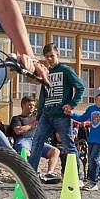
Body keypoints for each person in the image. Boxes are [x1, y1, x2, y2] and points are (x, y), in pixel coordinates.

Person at [28, 43, 85, 182]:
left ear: (57, 54)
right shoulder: (46, 72)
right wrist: (39, 115)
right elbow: (43, 96)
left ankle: (77, 177)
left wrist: (71, 104)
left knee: (69, 146)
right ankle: (29, 177)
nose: (50, 59)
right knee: (36, 142)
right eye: (47, 57)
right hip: (46, 115)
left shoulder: (66, 70)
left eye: (52, 56)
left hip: (61, 116)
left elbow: (80, 87)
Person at [72, 87, 100, 191]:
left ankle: (92, 182)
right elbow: (81, 118)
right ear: (97, 97)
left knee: (93, 160)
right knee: (92, 161)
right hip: (92, 139)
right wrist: (71, 114)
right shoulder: (91, 109)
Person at [10, 96, 60, 182]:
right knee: (25, 151)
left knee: (55, 151)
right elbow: (18, 130)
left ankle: (49, 173)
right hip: (23, 140)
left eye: (33, 105)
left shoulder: (37, 118)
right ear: (23, 105)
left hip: (36, 140)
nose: (32, 107)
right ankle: (29, 173)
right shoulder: (17, 118)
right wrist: (31, 125)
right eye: (29, 105)